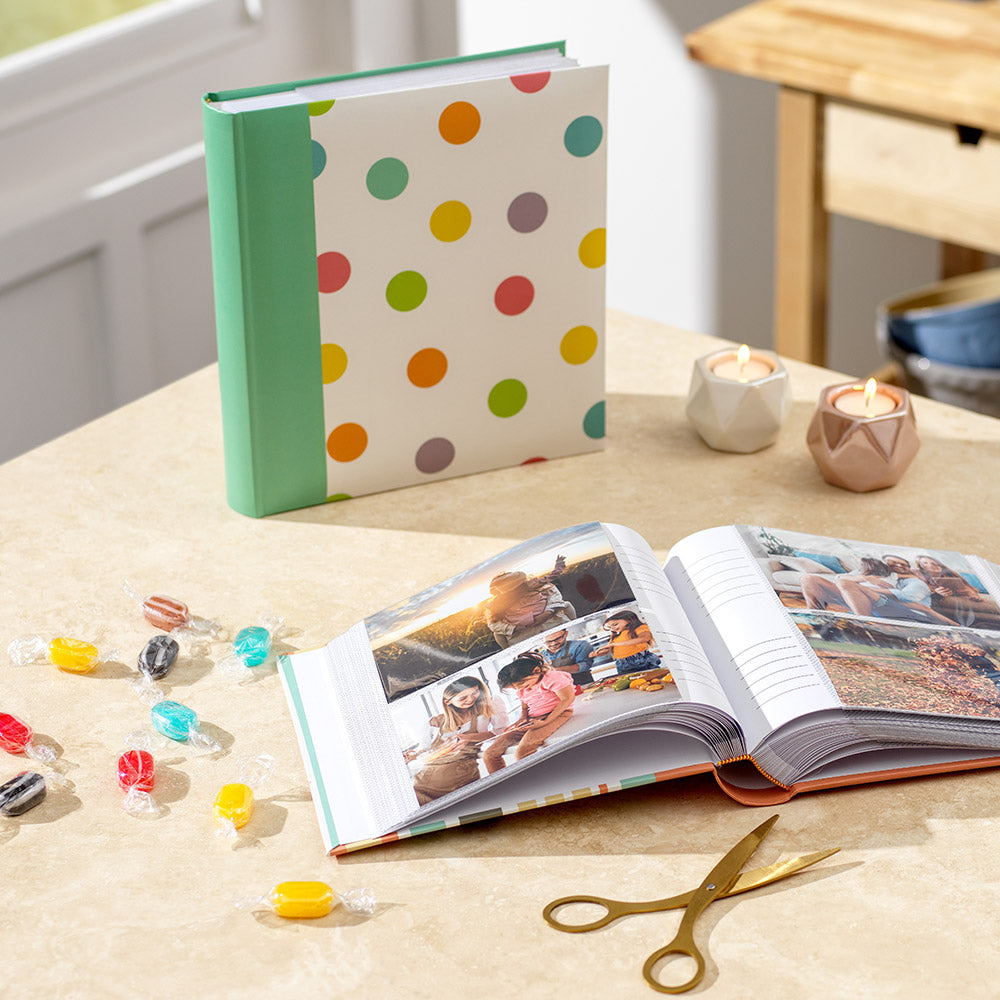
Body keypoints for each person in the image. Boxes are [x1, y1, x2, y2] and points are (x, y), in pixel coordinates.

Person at [408, 676, 509, 805]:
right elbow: (427, 750)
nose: (471, 699)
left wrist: (469, 738)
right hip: (422, 781)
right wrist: (414, 755)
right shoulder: (435, 722)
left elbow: (501, 732)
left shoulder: (488, 704)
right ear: (448, 702)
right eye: (463, 698)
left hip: (458, 776)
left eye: (474, 692)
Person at [482, 653, 575, 773]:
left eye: (521, 684)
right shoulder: (522, 688)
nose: (519, 689)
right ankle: (505, 785)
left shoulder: (552, 678)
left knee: (522, 752)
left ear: (536, 671)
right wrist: (522, 719)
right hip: (533, 717)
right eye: (514, 687)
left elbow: (567, 699)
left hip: (558, 713)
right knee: (489, 754)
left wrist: (545, 722)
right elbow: (525, 706)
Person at [483, 555, 575, 649]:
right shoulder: (495, 606)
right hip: (525, 637)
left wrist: (548, 612)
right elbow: (493, 624)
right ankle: (510, 652)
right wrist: (517, 628)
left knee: (566, 605)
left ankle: (574, 628)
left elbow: (554, 595)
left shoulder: (539, 587)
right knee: (498, 634)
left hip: (552, 625)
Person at [915, 555, 1000, 628]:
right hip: (945, 602)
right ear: (921, 568)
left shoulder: (951, 575)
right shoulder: (921, 579)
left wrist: (972, 593)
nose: (932, 564)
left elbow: (970, 588)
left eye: (933, 562)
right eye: (925, 563)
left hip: (964, 598)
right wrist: (935, 592)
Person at [589, 610, 660, 674]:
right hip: (621, 664)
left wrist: (614, 644)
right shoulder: (615, 636)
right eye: (610, 627)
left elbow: (644, 638)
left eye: (615, 624)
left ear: (629, 620)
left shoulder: (639, 628)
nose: (612, 628)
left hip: (639, 661)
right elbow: (609, 649)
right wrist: (598, 653)